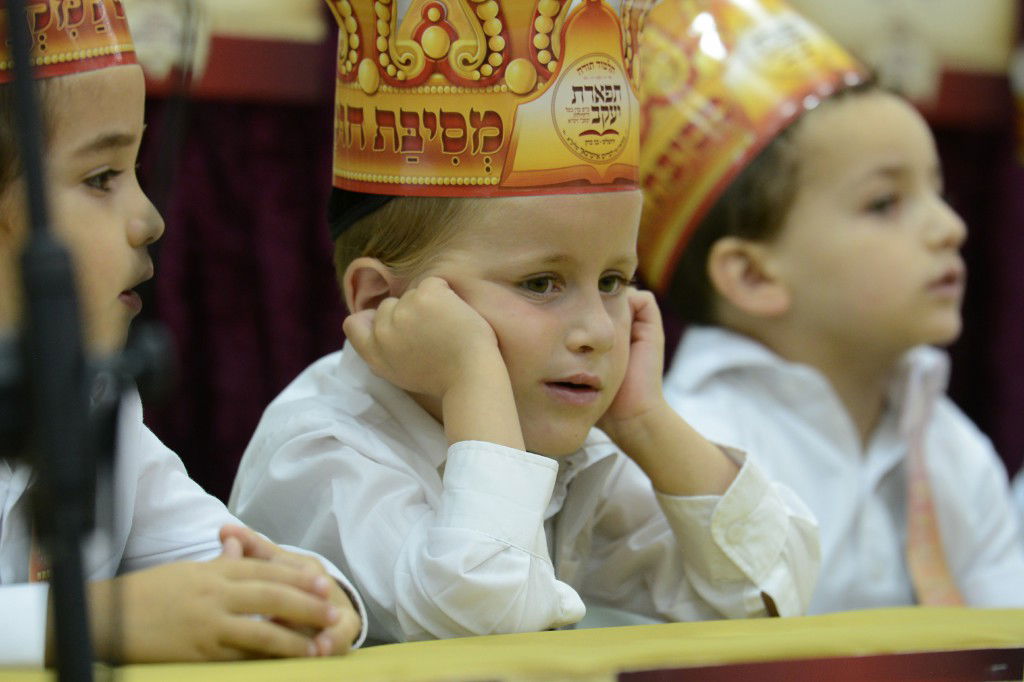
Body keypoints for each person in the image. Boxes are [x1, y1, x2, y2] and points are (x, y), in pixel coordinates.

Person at [230, 0, 820, 644]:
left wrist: (644, 420)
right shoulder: (321, 453)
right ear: (378, 302)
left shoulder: (571, 446)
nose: (597, 328)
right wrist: (472, 381)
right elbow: (485, 627)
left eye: (614, 282)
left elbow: (769, 589)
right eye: (541, 283)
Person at [0, 0, 365, 666]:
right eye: (102, 177)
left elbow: (223, 552)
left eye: (137, 170)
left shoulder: (97, 401)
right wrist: (86, 621)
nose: (151, 219)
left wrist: (320, 596)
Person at [638, 0, 1024, 612]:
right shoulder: (693, 453)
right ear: (754, 275)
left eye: (939, 192)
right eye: (884, 203)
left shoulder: (951, 447)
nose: (950, 227)